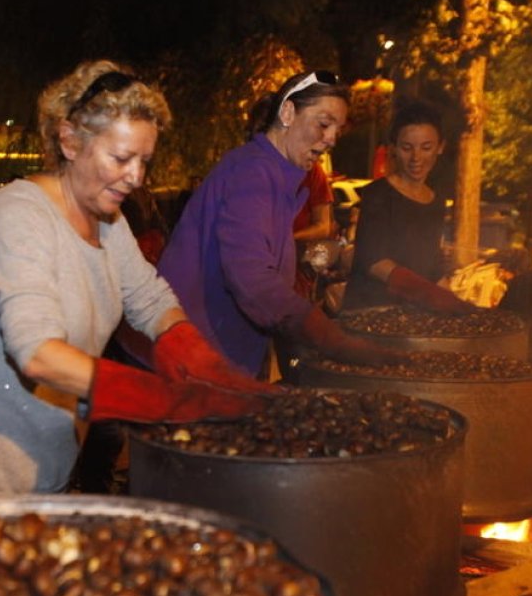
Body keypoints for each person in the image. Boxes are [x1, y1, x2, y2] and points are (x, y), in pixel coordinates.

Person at [0, 60, 275, 501]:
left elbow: (150, 300)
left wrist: (203, 364)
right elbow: (37, 353)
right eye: (121, 158)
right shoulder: (17, 217)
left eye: (144, 161)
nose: (136, 177)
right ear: (69, 140)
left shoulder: (108, 221)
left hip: (54, 453)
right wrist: (157, 398)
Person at [155, 70, 395, 379]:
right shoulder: (253, 173)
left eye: (337, 129)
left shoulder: (278, 176)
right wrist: (329, 337)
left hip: (213, 353)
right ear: (287, 113)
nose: (332, 139)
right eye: (324, 124)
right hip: (188, 356)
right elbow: (252, 280)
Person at [342, 101, 474, 313]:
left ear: (440, 147)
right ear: (393, 148)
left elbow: (431, 266)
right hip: (370, 312)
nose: (416, 158)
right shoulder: (378, 194)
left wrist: (455, 304)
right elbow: (374, 261)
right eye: (406, 148)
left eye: (426, 148)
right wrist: (430, 294)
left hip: (413, 314)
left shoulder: (436, 201)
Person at [291, 161, 336, 299]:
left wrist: (288, 238)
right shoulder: (256, 167)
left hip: (296, 265)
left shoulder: (311, 171)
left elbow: (323, 227)